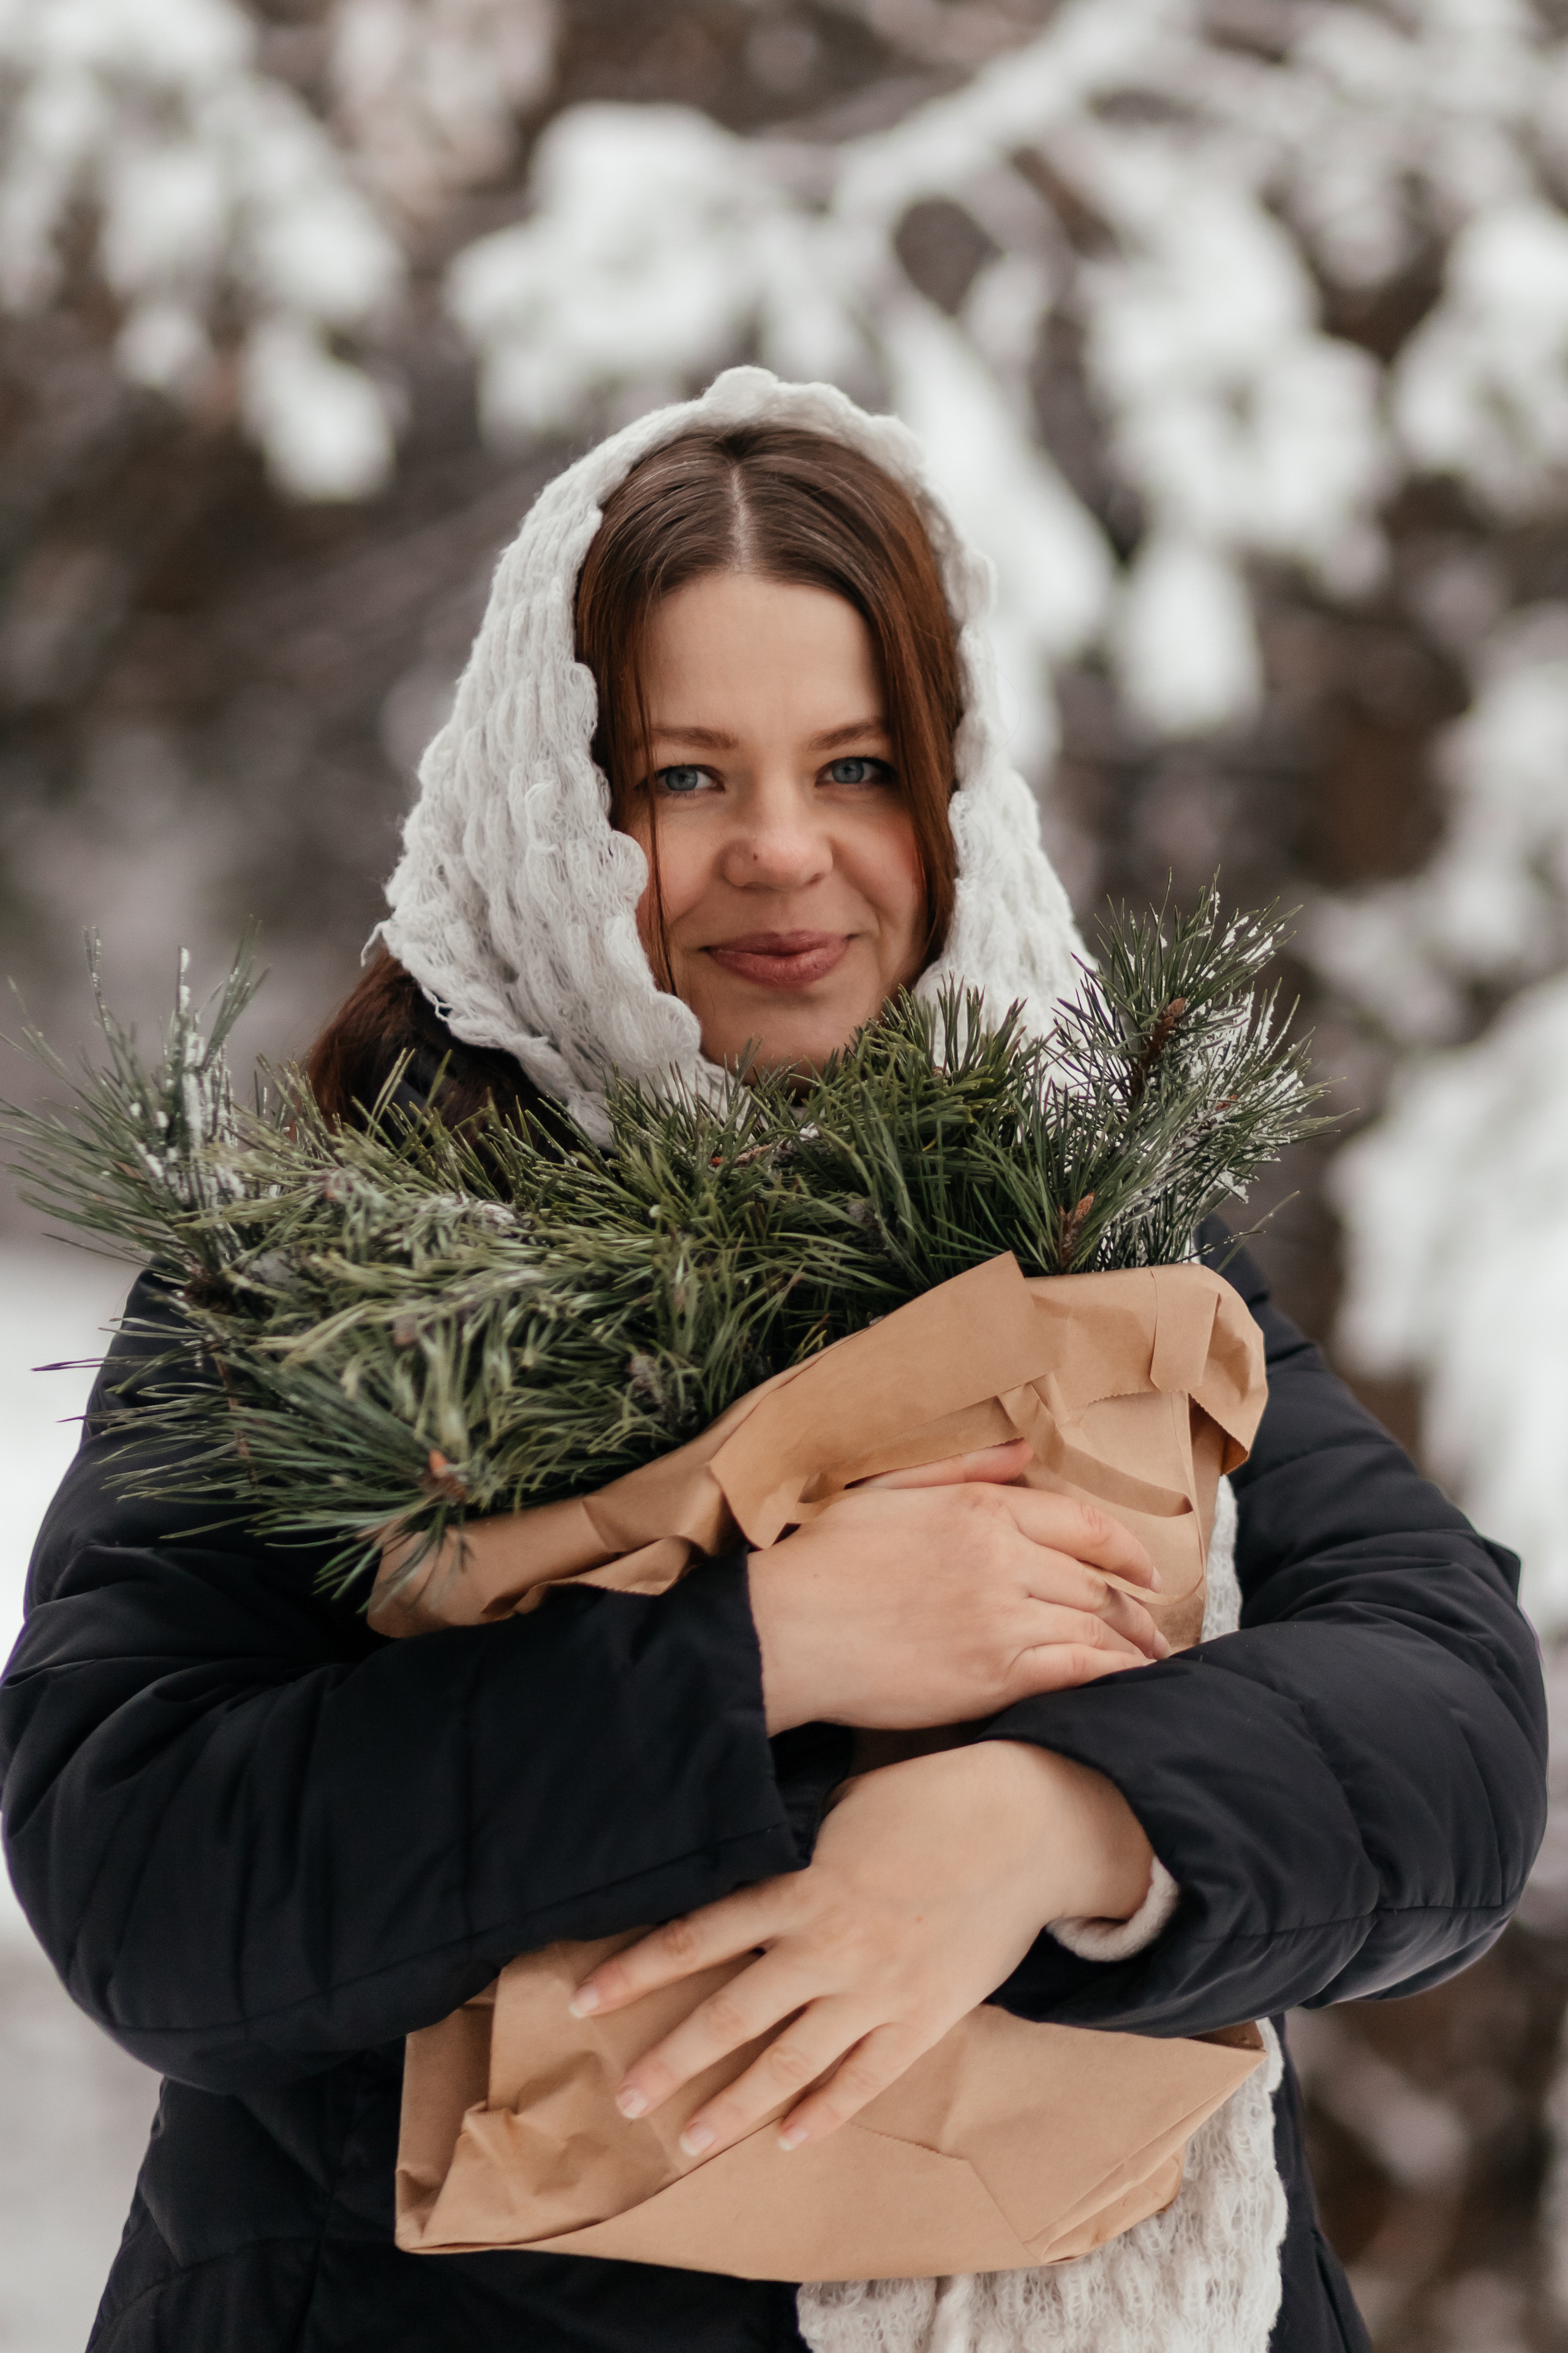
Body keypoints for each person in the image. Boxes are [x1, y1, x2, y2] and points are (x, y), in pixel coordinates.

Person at [0, 368, 1545, 2353]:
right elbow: (146, 1871)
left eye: (860, 767)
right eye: (685, 778)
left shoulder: (1084, 1226)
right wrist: (759, 1654)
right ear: (555, 808)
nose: (785, 855)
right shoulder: (333, 1257)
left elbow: (1450, 1715)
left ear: (955, 790)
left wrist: (1045, 1824)